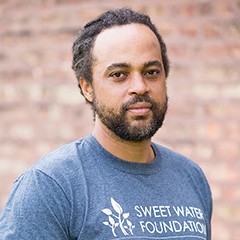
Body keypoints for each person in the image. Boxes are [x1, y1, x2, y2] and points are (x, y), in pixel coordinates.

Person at [0, 8, 212, 240]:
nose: (140, 86)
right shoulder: (51, 186)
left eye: (151, 72)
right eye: (119, 74)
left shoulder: (191, 177)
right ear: (87, 87)